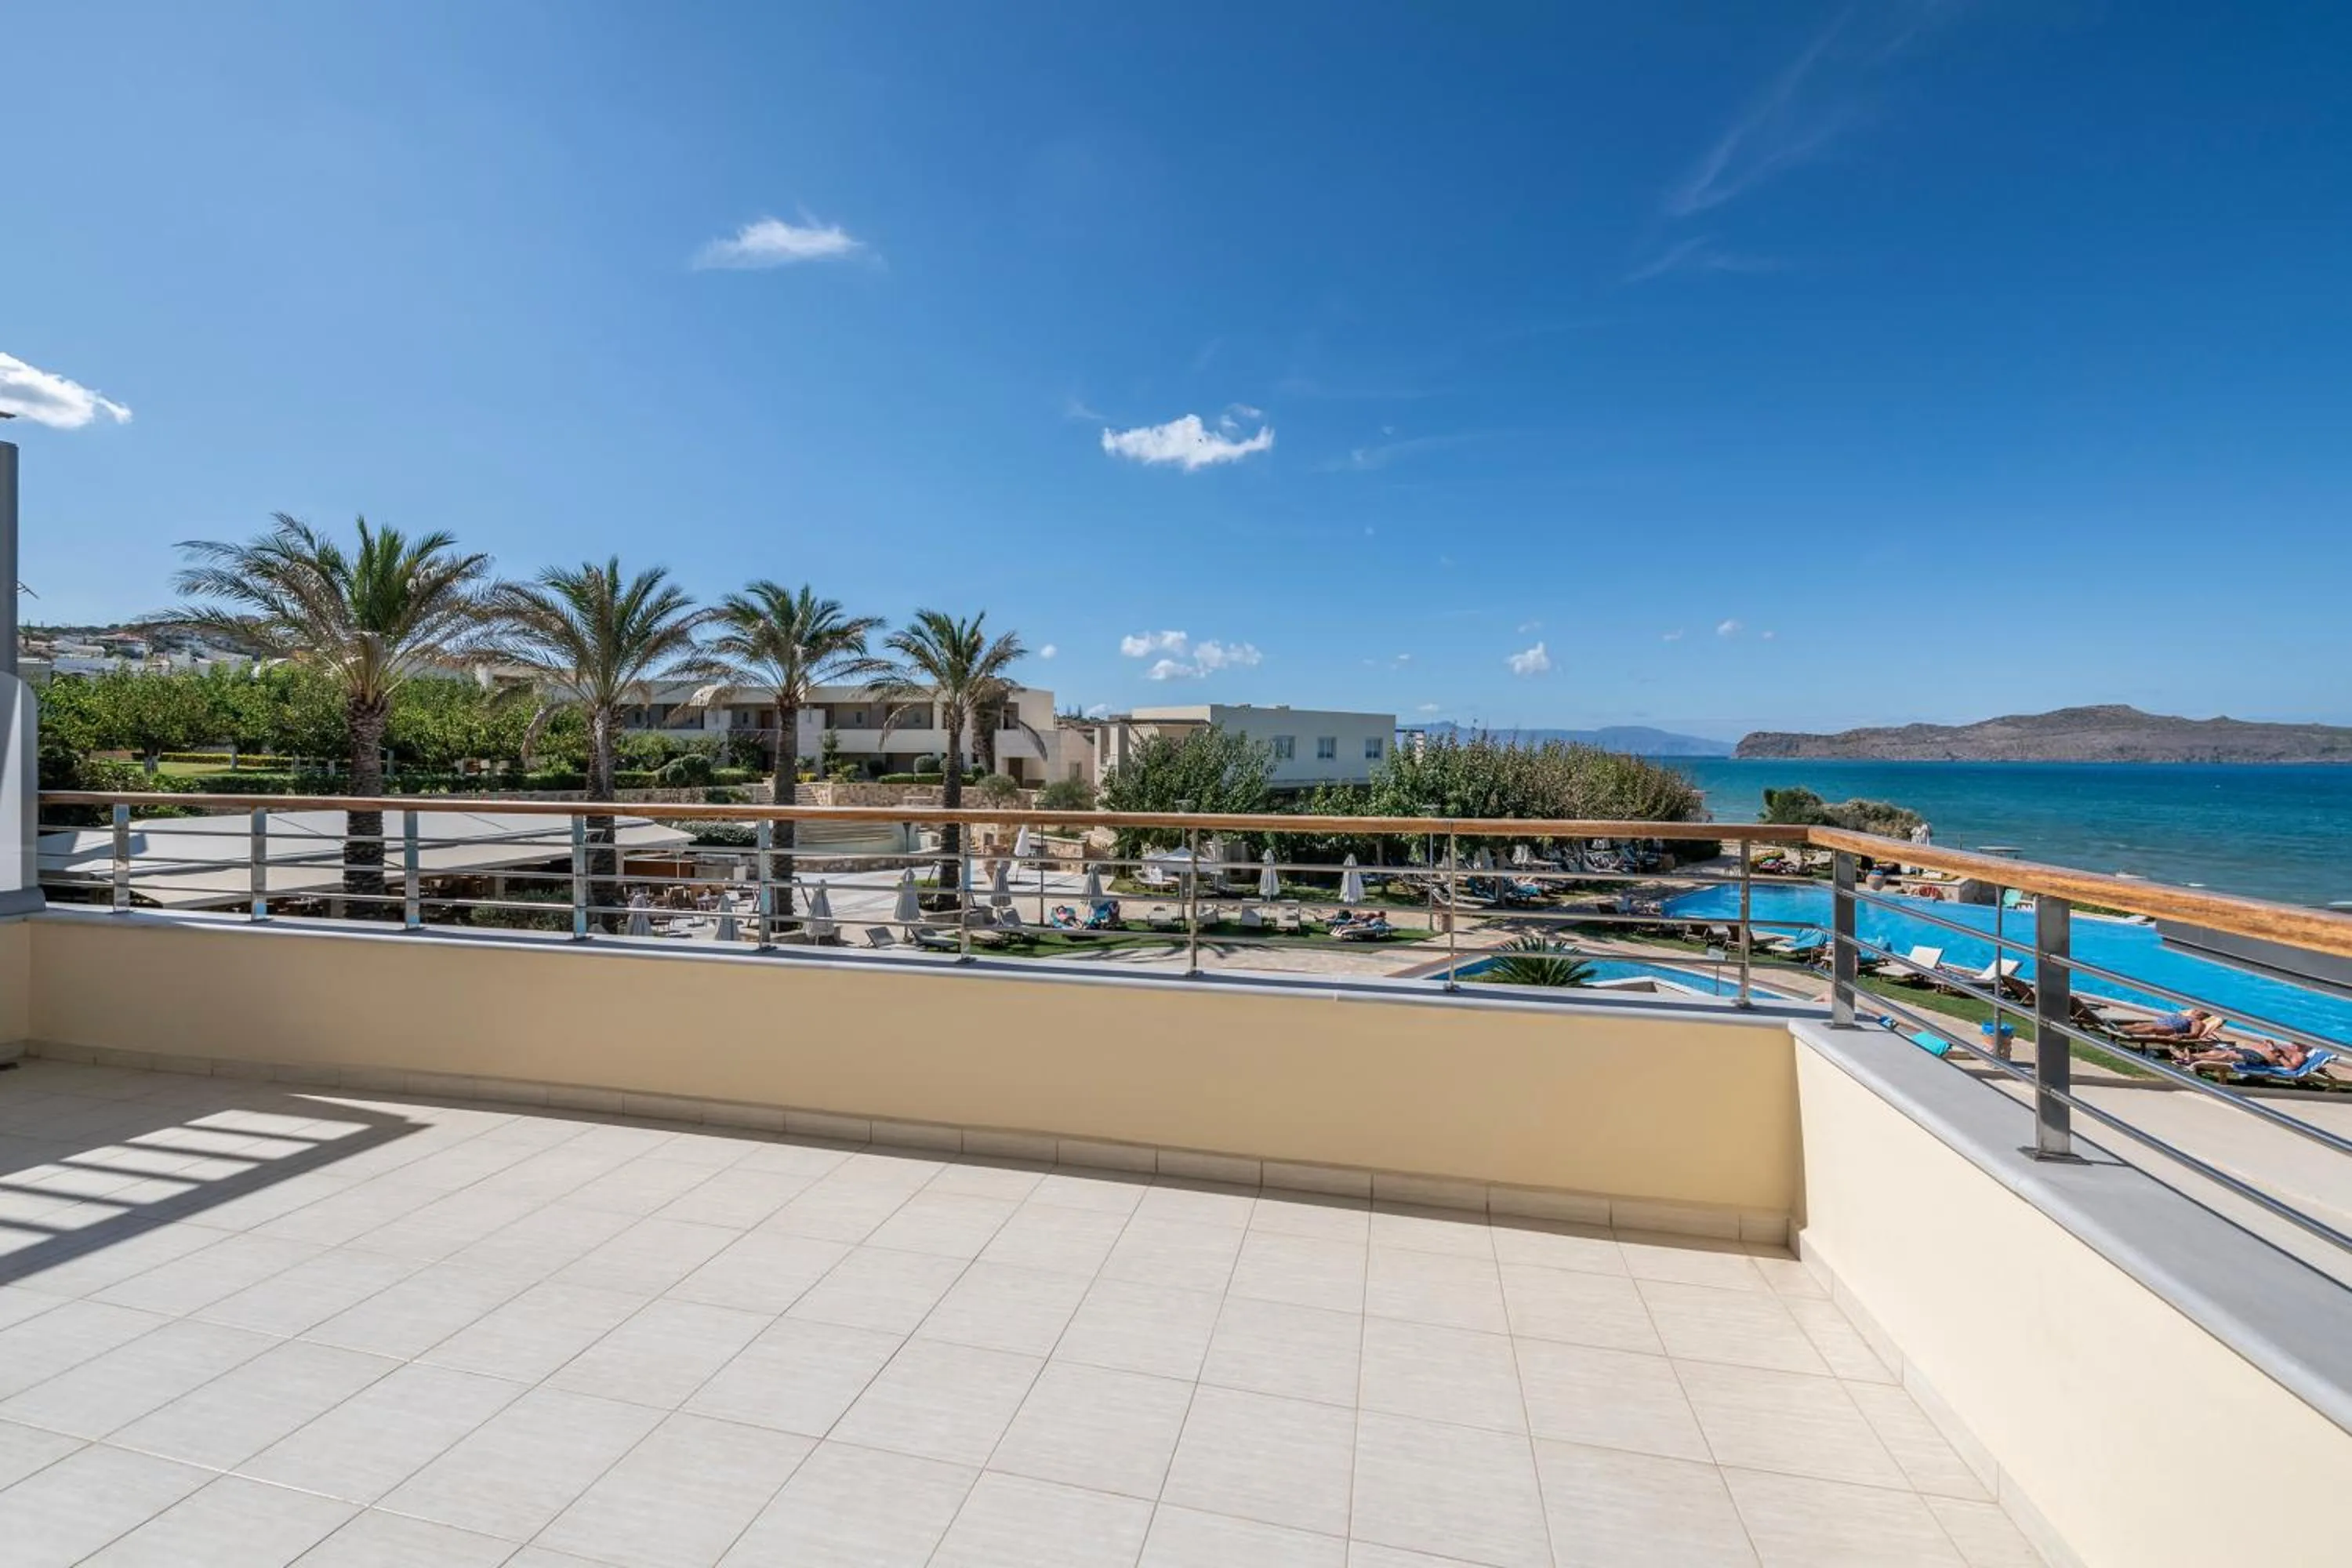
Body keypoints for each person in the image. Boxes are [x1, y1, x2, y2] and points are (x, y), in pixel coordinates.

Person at [2179, 1037, 2309, 1076]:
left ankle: (2193, 1058)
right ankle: (2188, 1056)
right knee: (2217, 1052)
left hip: (2259, 1059)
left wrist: (2275, 1052)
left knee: (2226, 1055)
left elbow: (2291, 1067)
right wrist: (2268, 1044)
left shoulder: (2300, 1055)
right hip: (2250, 1051)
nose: (2294, 1041)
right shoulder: (2290, 1047)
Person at [2114, 1007, 2217, 1043]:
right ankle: (2117, 1028)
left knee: (2151, 1028)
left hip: (2172, 1029)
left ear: (2203, 1016)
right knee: (2139, 1024)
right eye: (2195, 1009)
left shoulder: (2198, 1022)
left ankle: (2124, 1031)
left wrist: (2182, 1036)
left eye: (2199, 1011)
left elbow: (2195, 1034)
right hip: (2161, 1023)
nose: (2195, 1011)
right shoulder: (2184, 1015)